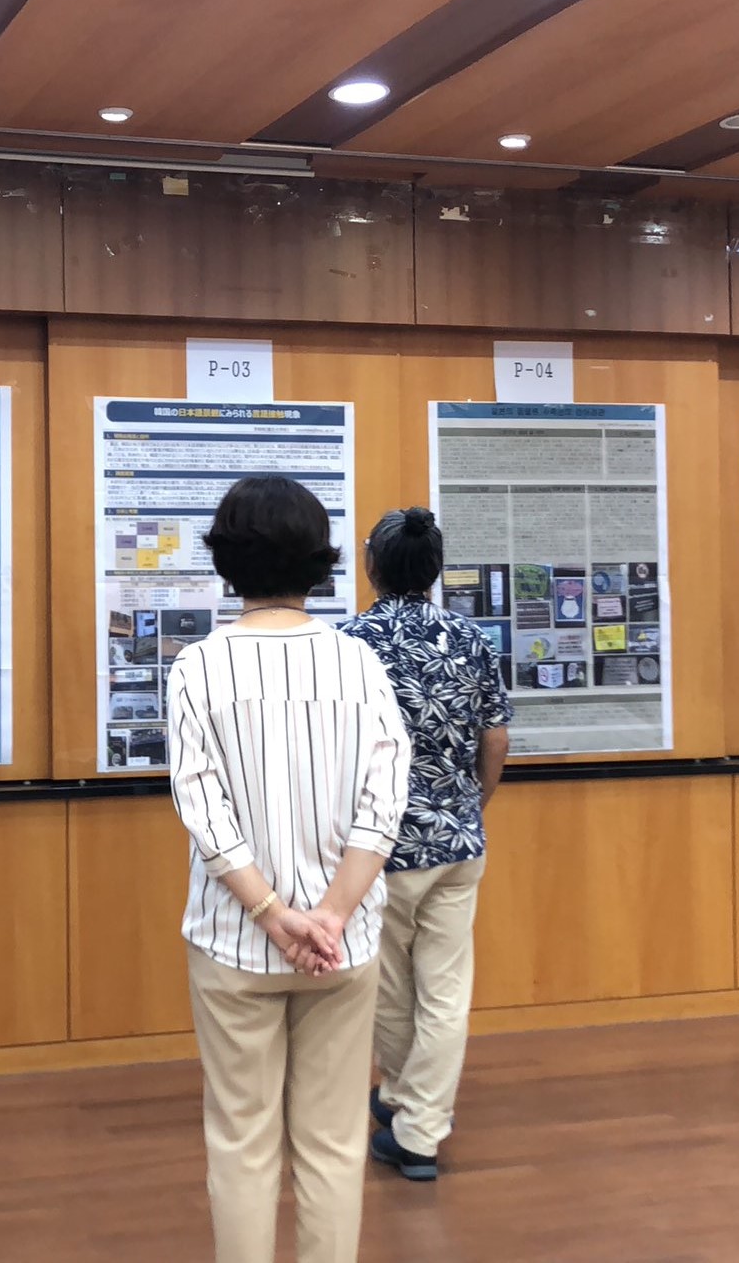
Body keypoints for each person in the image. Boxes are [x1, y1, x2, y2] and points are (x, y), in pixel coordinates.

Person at [166, 476, 410, 1263]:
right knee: (334, 1143)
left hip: (234, 943)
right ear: (319, 560)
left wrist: (272, 914)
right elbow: (385, 802)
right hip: (343, 946)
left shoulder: (198, 667)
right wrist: (330, 914)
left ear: (226, 560)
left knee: (241, 1141)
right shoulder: (359, 664)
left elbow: (203, 810)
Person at [339, 507, 512, 1182]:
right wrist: (471, 804)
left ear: (371, 566)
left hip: (379, 846)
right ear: (436, 569)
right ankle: (416, 1119)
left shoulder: (350, 643)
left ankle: (410, 1119)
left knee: (388, 990)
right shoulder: (470, 637)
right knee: (445, 992)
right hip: (459, 842)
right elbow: (495, 738)